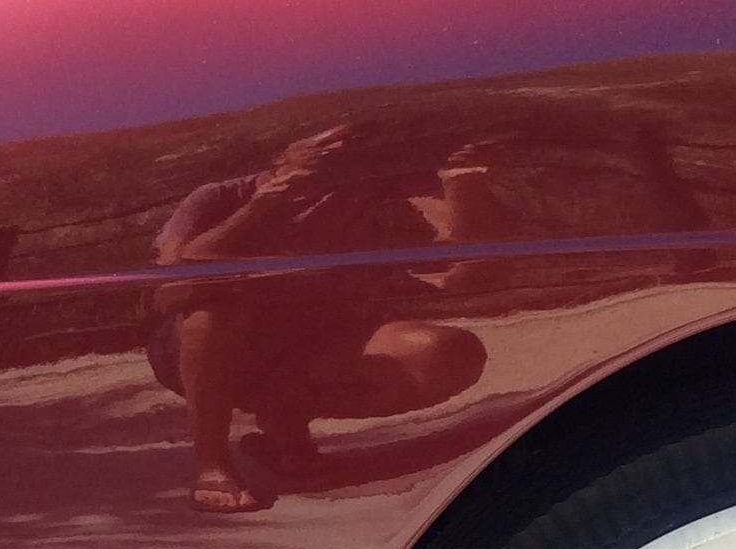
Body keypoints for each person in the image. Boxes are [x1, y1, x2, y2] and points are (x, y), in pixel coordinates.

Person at [149, 125, 494, 513]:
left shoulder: (366, 190)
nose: (335, 156)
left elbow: (466, 272)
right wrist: (259, 210)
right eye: (323, 145)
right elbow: (170, 289)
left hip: (314, 346)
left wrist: (462, 182)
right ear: (281, 154)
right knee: (213, 315)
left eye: (348, 148)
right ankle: (212, 464)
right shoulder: (219, 197)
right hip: (211, 352)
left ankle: (285, 430)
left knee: (446, 354)